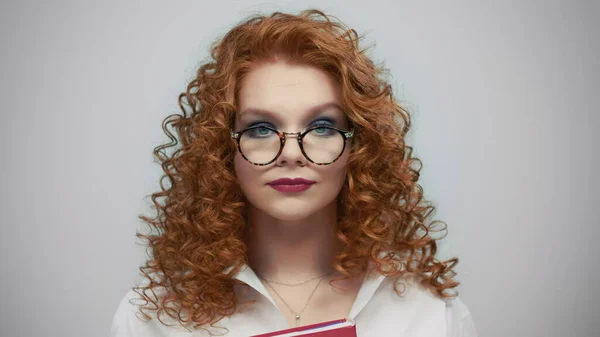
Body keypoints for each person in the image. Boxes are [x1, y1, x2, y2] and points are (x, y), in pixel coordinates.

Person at [110, 9, 477, 337]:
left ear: (358, 147)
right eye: (261, 128)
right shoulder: (152, 317)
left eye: (321, 127)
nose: (289, 154)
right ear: (222, 150)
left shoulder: (430, 315)